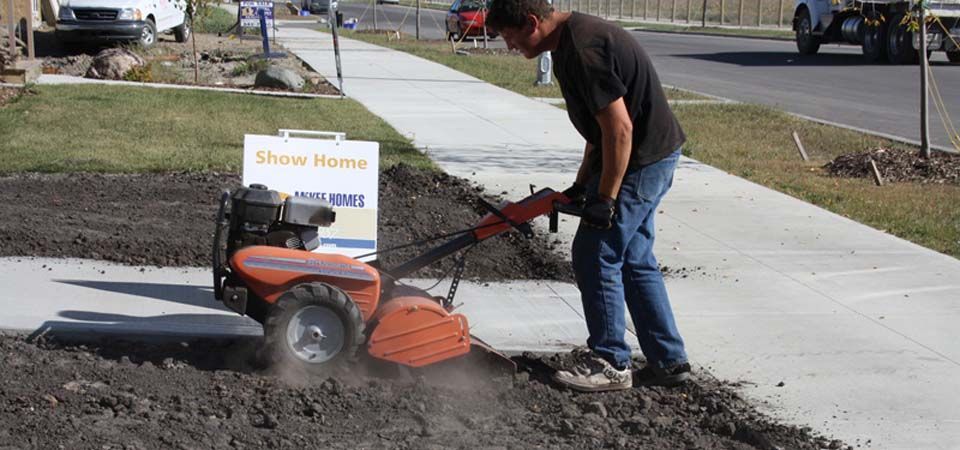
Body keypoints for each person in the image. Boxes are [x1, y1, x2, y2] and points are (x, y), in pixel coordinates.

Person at [487, 0, 690, 391]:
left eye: (510, 37)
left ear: (532, 22)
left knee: (595, 251)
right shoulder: (569, 42)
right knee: (633, 257)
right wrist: (584, 185)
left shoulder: (583, 49)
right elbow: (600, 133)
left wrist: (606, 199)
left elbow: (619, 130)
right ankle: (668, 360)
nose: (509, 46)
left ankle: (611, 362)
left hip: (642, 159)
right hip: (648, 153)